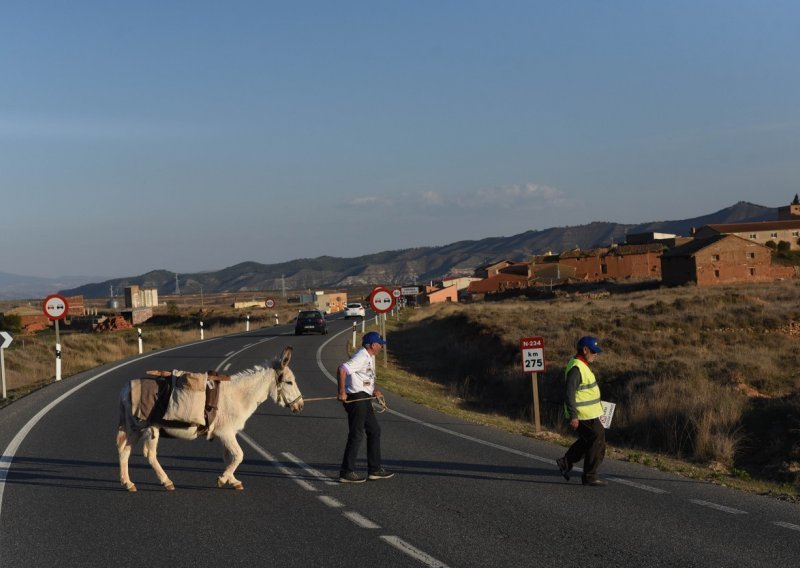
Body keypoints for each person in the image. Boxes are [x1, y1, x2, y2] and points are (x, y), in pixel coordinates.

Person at [338, 330, 394, 483]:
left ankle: (374, 469)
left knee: (374, 430)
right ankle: (346, 472)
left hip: (364, 397)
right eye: (379, 344)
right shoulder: (361, 356)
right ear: (372, 345)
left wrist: (373, 389)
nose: (381, 347)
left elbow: (364, 377)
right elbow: (342, 369)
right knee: (356, 434)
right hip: (356, 399)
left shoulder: (369, 357)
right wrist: (342, 391)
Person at [556, 336, 607, 487]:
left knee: (591, 440)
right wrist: (573, 416)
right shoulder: (577, 368)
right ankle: (589, 476)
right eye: (593, 351)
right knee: (597, 440)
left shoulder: (582, 365)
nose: (596, 354)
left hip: (589, 413)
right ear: (585, 350)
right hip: (582, 415)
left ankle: (566, 462)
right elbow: (569, 393)